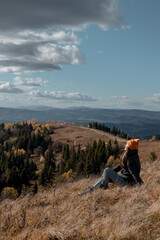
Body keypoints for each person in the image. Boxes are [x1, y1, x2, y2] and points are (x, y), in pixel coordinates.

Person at [78, 139, 143, 195]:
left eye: (127, 144)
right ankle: (90, 190)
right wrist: (107, 174)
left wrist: (141, 185)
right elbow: (120, 166)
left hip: (127, 183)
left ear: (130, 147)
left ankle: (100, 187)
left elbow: (134, 173)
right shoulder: (132, 156)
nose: (125, 145)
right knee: (105, 175)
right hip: (125, 180)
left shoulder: (130, 159)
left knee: (106, 170)